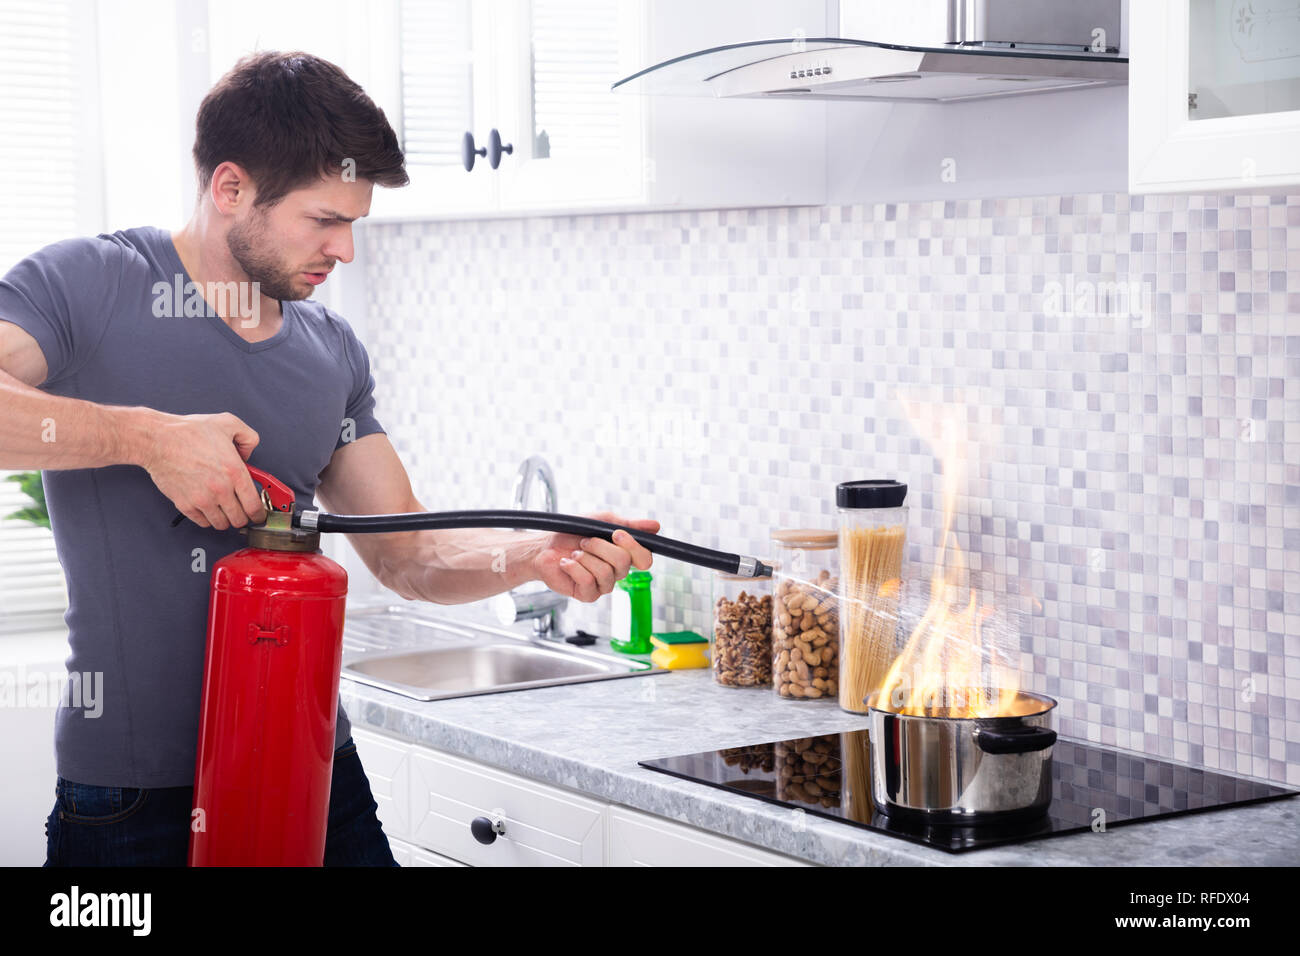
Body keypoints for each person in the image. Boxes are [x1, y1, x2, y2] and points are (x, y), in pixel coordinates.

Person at [0, 50, 659, 867]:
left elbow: (407, 551)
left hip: (313, 774)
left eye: (355, 222)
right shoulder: (89, 285)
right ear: (231, 189)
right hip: (135, 800)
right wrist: (149, 440)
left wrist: (531, 554)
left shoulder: (330, 350)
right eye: (324, 220)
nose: (345, 249)